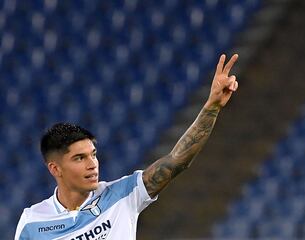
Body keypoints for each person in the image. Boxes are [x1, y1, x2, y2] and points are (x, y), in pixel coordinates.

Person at [14, 54, 239, 240]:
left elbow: (177, 160)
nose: (92, 164)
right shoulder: (33, 222)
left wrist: (213, 106)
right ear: (55, 169)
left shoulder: (123, 195)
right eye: (79, 158)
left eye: (93, 154)